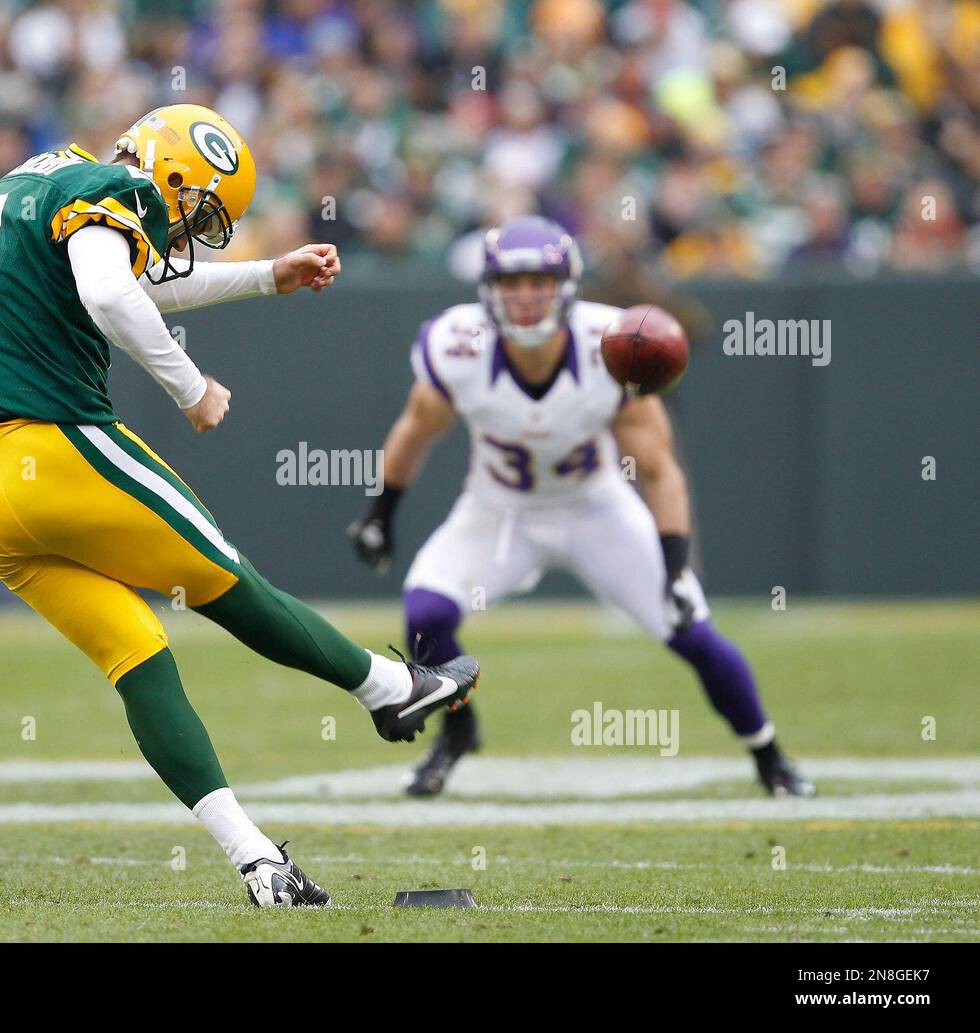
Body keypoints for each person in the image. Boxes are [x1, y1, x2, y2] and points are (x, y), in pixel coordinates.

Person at [0, 104, 479, 908]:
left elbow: (136, 275)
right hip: (46, 443)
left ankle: (260, 865)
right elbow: (113, 291)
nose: (190, 229)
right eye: (201, 207)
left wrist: (266, 275)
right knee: (227, 579)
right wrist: (190, 387)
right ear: (174, 168)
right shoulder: (107, 183)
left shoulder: (37, 182)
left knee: (138, 656)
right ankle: (388, 689)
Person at [348, 215, 814, 800]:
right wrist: (381, 512)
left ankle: (769, 754)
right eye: (510, 283)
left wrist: (672, 565)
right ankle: (459, 727)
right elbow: (416, 430)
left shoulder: (614, 346)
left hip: (596, 509)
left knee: (692, 630)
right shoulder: (458, 345)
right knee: (425, 612)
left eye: (538, 281)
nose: (523, 297)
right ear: (488, 290)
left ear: (567, 286)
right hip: (501, 510)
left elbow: (659, 468)